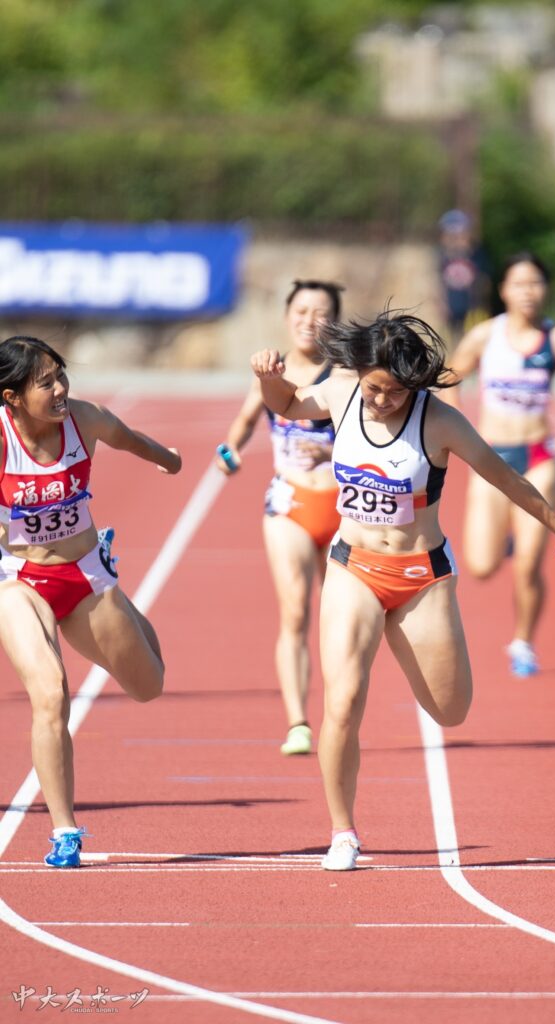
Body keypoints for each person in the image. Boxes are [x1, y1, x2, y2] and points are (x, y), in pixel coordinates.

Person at [251, 311, 555, 870]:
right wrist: (268, 377)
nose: (380, 401)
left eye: (392, 392)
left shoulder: (441, 422)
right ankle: (343, 832)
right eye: (372, 389)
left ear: (413, 385)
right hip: (352, 567)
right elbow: (288, 405)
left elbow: (507, 480)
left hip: (421, 578)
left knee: (450, 710)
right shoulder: (341, 393)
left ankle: (416, 647)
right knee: (342, 701)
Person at [0, 335, 181, 867]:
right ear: (11, 397)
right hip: (18, 581)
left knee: (149, 685)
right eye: (45, 383)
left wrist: (168, 459)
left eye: (61, 376)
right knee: (51, 694)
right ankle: (64, 831)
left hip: (83, 577)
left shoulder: (84, 419)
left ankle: (115, 585)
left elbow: (130, 440)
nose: (60, 389)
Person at [217, 280, 344, 756]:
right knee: (295, 611)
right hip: (289, 504)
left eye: (321, 311)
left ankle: (340, 710)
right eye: (301, 310)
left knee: (339, 619)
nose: (309, 319)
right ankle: (297, 722)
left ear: (335, 320)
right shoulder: (274, 372)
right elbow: (248, 419)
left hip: (344, 510)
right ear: (287, 316)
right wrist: (229, 450)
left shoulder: (346, 373)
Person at [446, 251, 555, 677]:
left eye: (535, 283)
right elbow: (449, 378)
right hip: (492, 460)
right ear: (503, 290)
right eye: (519, 283)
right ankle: (505, 537)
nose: (528, 291)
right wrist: (459, 428)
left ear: (544, 289)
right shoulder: (484, 336)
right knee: (482, 566)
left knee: (529, 564)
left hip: (538, 458)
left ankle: (523, 642)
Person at [437, 209, 492, 348]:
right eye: (452, 234)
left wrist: (482, 302)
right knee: (452, 341)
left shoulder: (477, 254)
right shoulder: (442, 255)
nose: (457, 238)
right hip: (451, 306)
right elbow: (437, 280)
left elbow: (485, 279)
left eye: (461, 233)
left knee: (472, 339)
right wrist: (439, 302)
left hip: (472, 306)